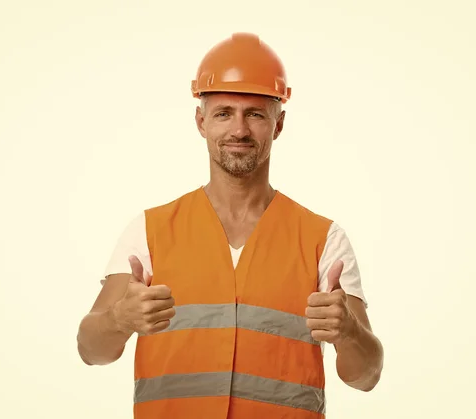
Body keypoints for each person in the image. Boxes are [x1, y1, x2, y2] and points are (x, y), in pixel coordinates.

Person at [77, 32, 384, 419]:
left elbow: (366, 376)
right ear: (201, 121)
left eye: (255, 114)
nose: (239, 130)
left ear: (279, 124)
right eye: (224, 113)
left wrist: (349, 332)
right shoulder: (148, 230)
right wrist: (119, 319)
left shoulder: (324, 240)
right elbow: (91, 351)